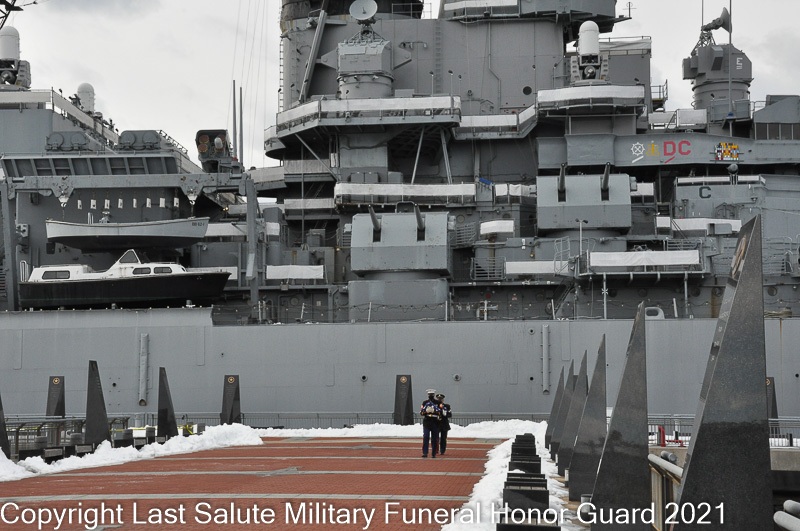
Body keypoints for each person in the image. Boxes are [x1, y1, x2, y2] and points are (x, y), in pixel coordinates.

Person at [420, 388, 441, 458]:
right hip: (427, 421)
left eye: (432, 394)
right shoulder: (425, 402)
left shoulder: (438, 403)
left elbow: (440, 412)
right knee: (426, 437)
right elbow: (422, 412)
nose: (430, 395)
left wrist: (434, 411)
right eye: (429, 394)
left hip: (435, 422)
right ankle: (425, 452)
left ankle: (433, 453)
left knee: (434, 439)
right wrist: (426, 412)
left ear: (434, 395)